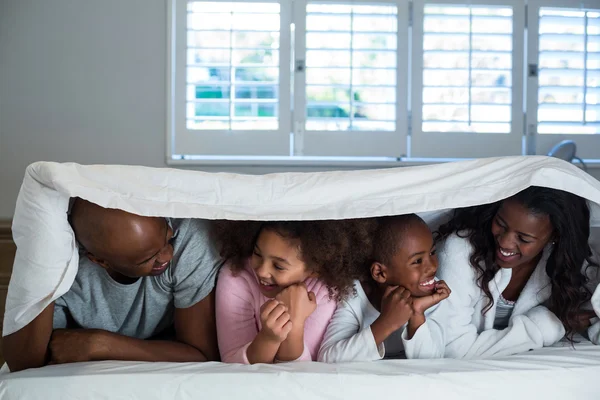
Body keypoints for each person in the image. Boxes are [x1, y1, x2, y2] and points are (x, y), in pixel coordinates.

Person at [3, 198, 222, 372]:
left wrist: (100, 344)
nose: (168, 255)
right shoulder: (63, 262)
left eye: (167, 236)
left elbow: (203, 354)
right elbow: (24, 363)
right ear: (99, 261)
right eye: (147, 259)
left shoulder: (187, 237)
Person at [434, 186, 600, 358]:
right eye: (500, 224)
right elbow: (453, 348)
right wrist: (545, 326)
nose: (505, 243)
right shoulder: (460, 251)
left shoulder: (568, 263)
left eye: (523, 238)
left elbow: (594, 322)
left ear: (554, 236)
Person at [212, 219, 376, 364]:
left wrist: (295, 324)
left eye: (278, 266)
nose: (261, 271)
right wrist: (268, 339)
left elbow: (301, 373)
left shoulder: (326, 288)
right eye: (257, 254)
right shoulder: (236, 276)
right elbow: (231, 365)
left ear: (314, 269)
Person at [318, 214, 451, 362]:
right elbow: (328, 358)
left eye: (432, 253)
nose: (432, 267)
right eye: (417, 261)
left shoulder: (433, 293)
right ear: (380, 272)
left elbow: (432, 361)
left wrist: (417, 314)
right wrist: (387, 323)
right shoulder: (354, 295)